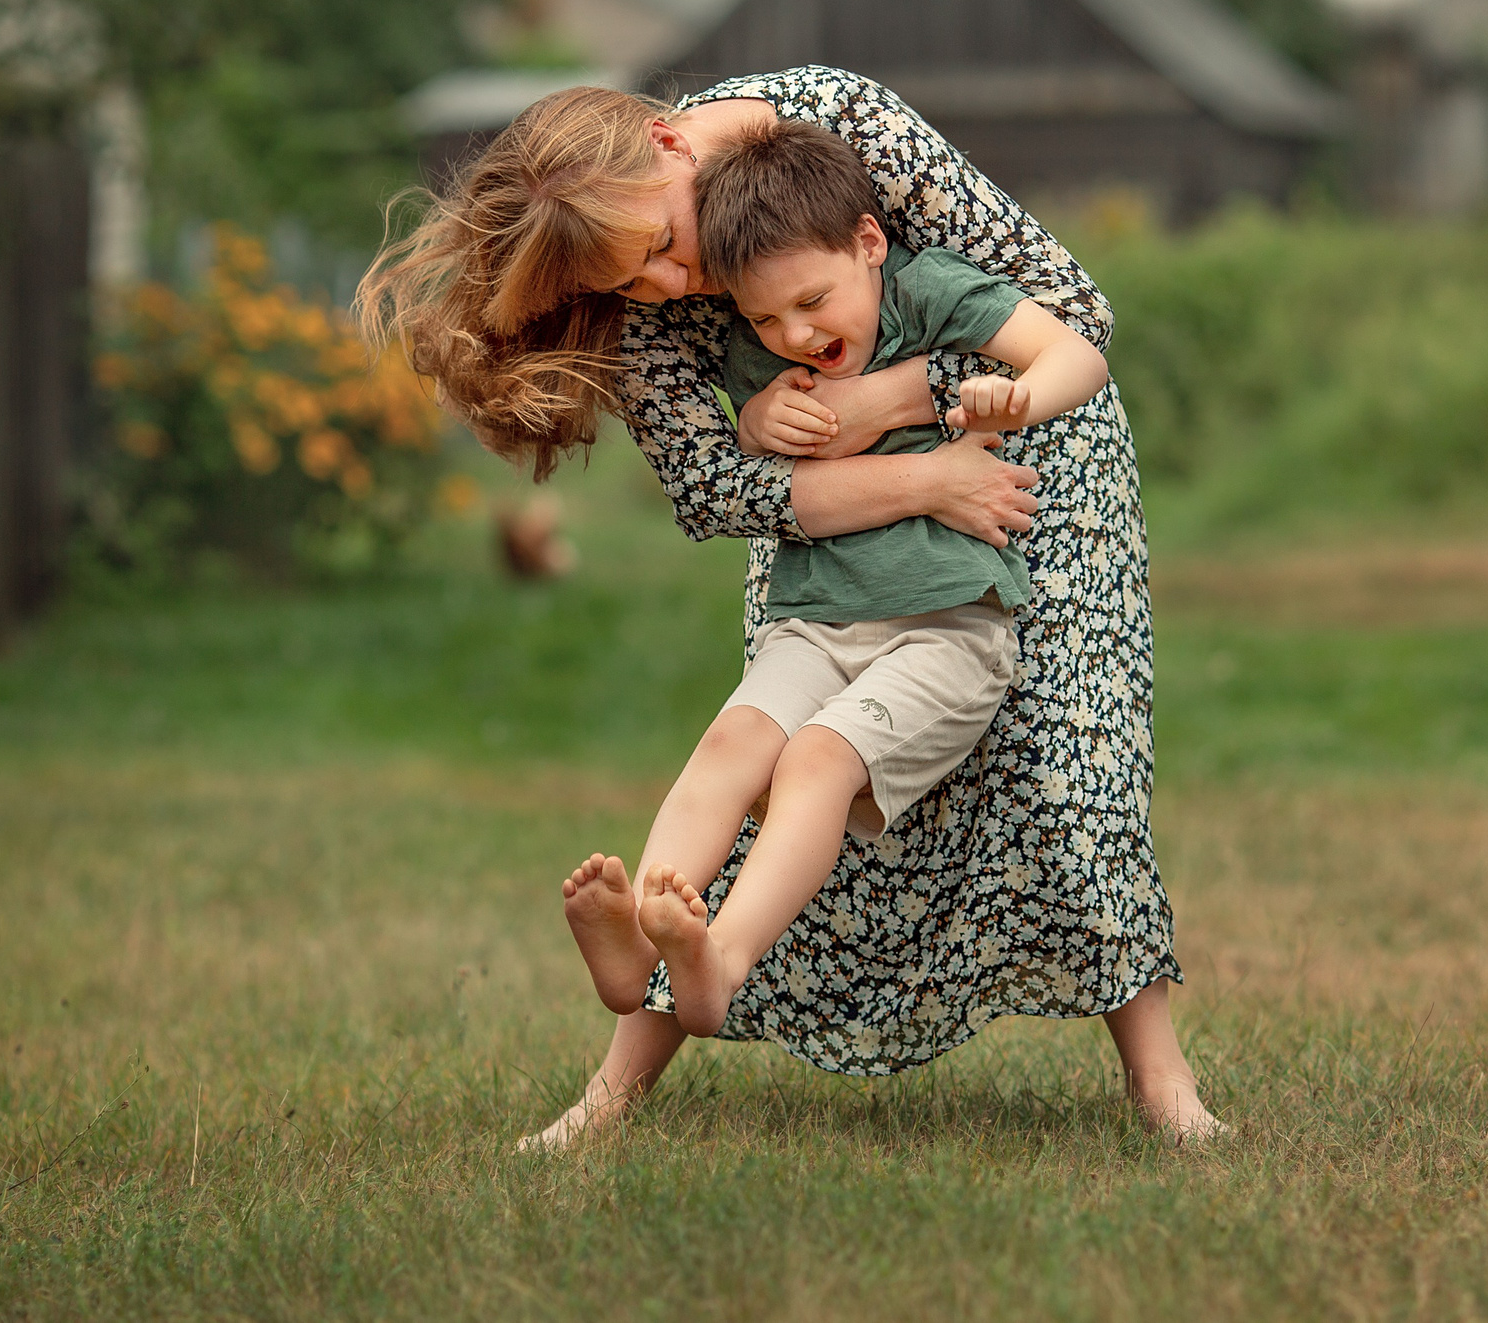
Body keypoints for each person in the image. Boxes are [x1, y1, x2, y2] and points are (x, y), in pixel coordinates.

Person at [359, 66, 1224, 1145]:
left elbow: (1071, 312)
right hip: (835, 539)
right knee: (764, 768)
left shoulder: (842, 124)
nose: (670, 285)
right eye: (632, 281)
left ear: (671, 145)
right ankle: (623, 1064)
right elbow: (716, 489)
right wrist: (873, 463)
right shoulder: (638, 295)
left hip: (1023, 465)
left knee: (1067, 764)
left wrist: (881, 403)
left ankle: (1159, 1080)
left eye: (662, 245)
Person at [563, 119, 1110, 1038]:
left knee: (815, 760)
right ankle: (643, 939)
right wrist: (754, 423)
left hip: (944, 629)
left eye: (812, 302)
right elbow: (733, 463)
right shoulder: (764, 342)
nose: (796, 333)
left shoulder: (928, 292)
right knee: (732, 742)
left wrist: (1015, 396)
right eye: (764, 319)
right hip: (813, 624)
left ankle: (722, 959)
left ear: (869, 242)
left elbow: (1078, 351)